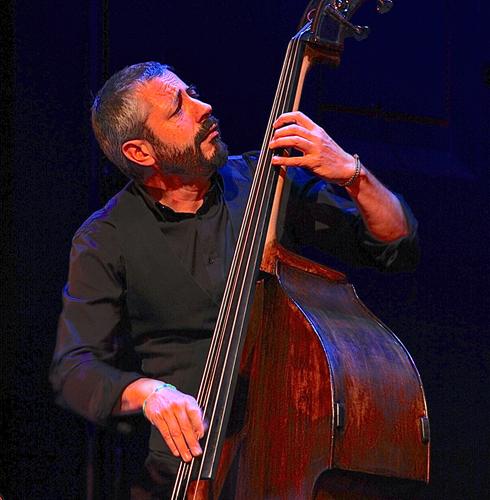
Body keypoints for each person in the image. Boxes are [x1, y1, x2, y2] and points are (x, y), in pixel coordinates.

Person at [50, 61, 419, 497]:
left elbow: (393, 242)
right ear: (140, 153)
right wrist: (149, 393)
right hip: (187, 475)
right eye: (177, 109)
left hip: (292, 458)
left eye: (192, 92)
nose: (204, 107)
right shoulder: (104, 238)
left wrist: (351, 174)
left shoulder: (266, 181)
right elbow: (74, 369)